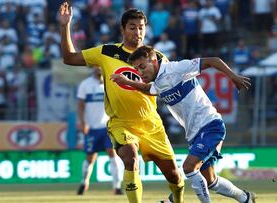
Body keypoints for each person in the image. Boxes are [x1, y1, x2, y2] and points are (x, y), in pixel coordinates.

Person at [58, 3, 184, 203]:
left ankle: (178, 199)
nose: (138, 31)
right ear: (123, 29)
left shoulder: (158, 58)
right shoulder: (107, 52)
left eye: (141, 27)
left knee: (175, 177)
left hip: (151, 125)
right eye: (133, 27)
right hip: (121, 123)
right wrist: (65, 26)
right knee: (130, 158)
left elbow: (169, 89)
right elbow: (69, 58)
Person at [110, 45, 256, 203]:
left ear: (154, 60)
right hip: (195, 134)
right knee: (210, 181)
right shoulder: (158, 82)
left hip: (210, 125)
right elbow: (149, 89)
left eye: (142, 66)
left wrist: (233, 76)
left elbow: (213, 61)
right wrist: (127, 81)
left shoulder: (177, 68)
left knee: (188, 168)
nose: (140, 72)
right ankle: (245, 198)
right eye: (137, 69)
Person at [76, 67, 123, 195]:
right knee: (90, 157)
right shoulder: (85, 84)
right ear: (92, 68)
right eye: (96, 66)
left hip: (108, 127)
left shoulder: (111, 83)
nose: (99, 69)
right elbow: (80, 105)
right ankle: (84, 182)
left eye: (101, 66)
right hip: (92, 127)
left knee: (112, 154)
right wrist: (82, 122)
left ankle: (117, 186)